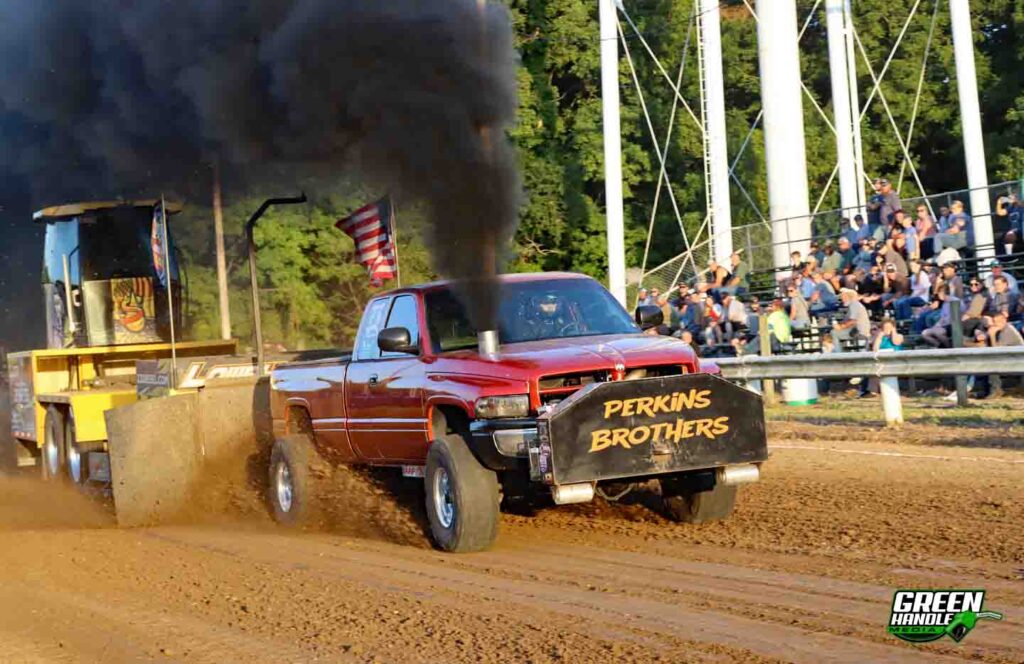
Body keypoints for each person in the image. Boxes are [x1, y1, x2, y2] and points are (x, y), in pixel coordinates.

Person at [977, 311, 1023, 398]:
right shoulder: (998, 329)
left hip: (1017, 360)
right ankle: (985, 390)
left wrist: (992, 335)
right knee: (986, 361)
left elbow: (997, 352)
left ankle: (996, 390)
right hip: (1008, 358)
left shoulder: (1008, 330)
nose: (996, 325)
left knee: (992, 363)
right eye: (995, 322)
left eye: (998, 322)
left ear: (1004, 321)